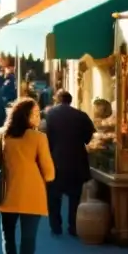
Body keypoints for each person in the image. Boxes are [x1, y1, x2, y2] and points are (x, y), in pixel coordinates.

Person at [0, 97, 55, 254]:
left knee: (7, 231)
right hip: (32, 194)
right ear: (29, 115)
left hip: (5, 192)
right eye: (36, 113)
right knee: (28, 238)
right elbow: (49, 173)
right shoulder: (38, 138)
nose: (38, 117)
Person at [44, 90, 95, 236]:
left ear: (57, 100)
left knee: (54, 196)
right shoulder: (81, 115)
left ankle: (55, 226)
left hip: (56, 159)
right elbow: (88, 136)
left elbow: (47, 137)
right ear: (70, 101)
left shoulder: (51, 115)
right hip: (77, 160)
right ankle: (73, 226)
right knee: (75, 196)